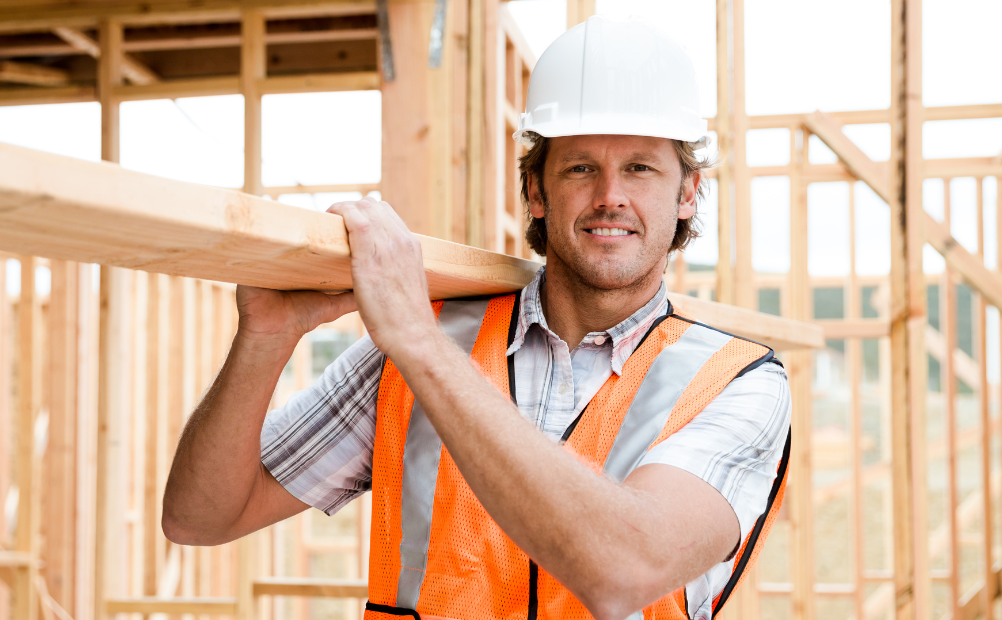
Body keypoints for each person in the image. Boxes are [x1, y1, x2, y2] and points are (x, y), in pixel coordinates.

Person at [162, 15, 790, 620]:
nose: (610, 196)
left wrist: (417, 341)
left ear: (687, 193)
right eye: (580, 167)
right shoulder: (426, 344)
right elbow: (198, 517)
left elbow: (620, 572)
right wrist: (265, 338)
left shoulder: (737, 384)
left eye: (640, 167)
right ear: (537, 191)